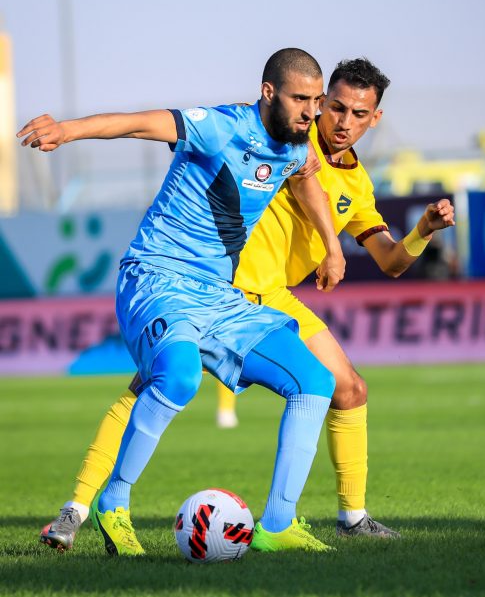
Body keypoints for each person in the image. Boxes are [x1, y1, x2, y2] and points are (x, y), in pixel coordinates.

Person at [38, 57, 455, 551]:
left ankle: (311, 521)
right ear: (277, 94)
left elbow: (350, 223)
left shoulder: (328, 167)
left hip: (252, 296)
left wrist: (377, 238)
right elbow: (148, 122)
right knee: (164, 382)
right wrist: (67, 131)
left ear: (374, 119)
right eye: (326, 106)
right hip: (189, 280)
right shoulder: (245, 128)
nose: (334, 119)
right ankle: (87, 507)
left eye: (350, 112)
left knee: (333, 385)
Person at [19, 47, 348, 556]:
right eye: (300, 99)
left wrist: (331, 245)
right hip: (157, 277)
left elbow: (308, 182)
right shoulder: (220, 127)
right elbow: (137, 123)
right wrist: (67, 130)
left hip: (218, 295)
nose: (312, 112)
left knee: (315, 380)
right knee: (179, 377)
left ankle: (278, 525)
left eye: (317, 100)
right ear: (268, 93)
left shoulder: (296, 147)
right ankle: (113, 503)